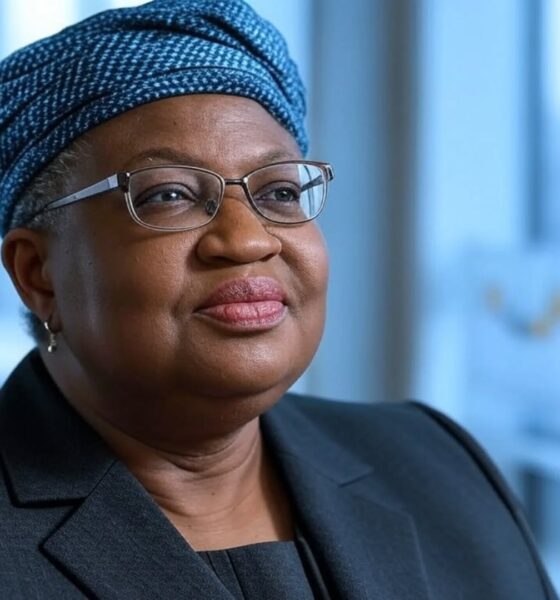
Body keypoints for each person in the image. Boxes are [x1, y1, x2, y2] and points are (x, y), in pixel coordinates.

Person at [0, 1, 556, 598]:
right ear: (38, 274)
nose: (248, 239)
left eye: (281, 192)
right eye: (168, 195)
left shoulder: (437, 465)